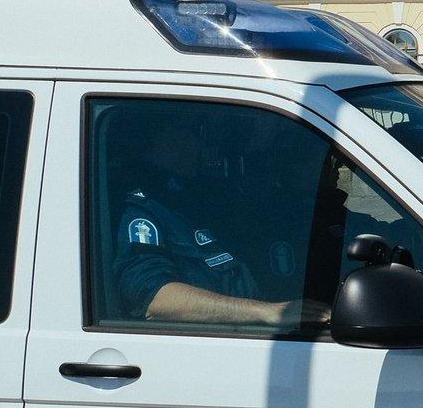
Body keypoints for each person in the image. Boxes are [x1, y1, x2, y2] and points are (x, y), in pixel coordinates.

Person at [112, 123, 331, 330]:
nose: (201, 145)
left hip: (250, 333)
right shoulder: (141, 211)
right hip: (210, 346)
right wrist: (267, 312)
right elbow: (156, 299)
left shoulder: (195, 199)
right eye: (194, 132)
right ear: (170, 140)